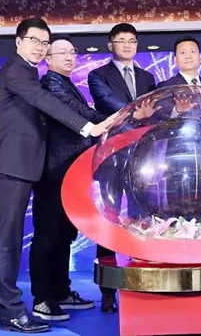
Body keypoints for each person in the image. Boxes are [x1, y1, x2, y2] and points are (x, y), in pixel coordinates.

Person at [0, 18, 114, 333]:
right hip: (11, 165)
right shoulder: (17, 71)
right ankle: (12, 311)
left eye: (44, 43)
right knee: (7, 241)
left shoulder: (27, 72)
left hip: (19, 164)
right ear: (18, 41)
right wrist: (88, 127)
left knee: (0, 238)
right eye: (34, 41)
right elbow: (44, 101)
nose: (40, 48)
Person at [29, 35, 104, 321]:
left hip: (69, 173)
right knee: (48, 236)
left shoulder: (66, 83)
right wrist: (117, 118)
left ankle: (60, 291)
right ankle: (42, 299)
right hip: (53, 174)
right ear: (48, 59)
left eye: (72, 52)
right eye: (62, 53)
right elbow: (82, 114)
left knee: (63, 235)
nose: (70, 57)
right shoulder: (51, 84)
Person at [87, 23, 157, 313]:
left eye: (132, 41)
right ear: (110, 45)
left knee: (143, 218)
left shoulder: (148, 77)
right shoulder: (97, 75)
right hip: (111, 157)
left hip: (142, 157)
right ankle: (108, 292)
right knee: (110, 218)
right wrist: (133, 113)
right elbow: (106, 102)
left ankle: (143, 282)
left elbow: (155, 113)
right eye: (121, 40)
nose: (127, 45)